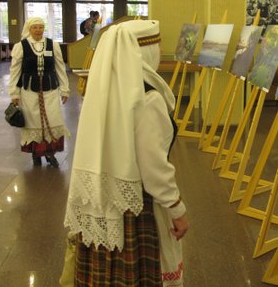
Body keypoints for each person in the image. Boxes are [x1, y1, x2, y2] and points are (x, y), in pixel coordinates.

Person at [64, 20, 189, 287]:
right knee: (136, 276)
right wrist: (177, 208)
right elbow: (154, 168)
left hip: (102, 199)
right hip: (136, 207)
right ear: (144, 50)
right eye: (158, 44)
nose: (161, 49)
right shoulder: (148, 98)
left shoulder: (104, 91)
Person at [9, 17, 70, 168]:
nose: (38, 30)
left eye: (41, 27)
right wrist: (14, 93)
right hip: (29, 91)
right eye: (35, 27)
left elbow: (60, 68)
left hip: (50, 90)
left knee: (52, 119)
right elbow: (15, 71)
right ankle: (36, 154)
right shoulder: (21, 46)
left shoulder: (52, 45)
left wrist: (65, 89)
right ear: (29, 29)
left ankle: (50, 154)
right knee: (33, 121)